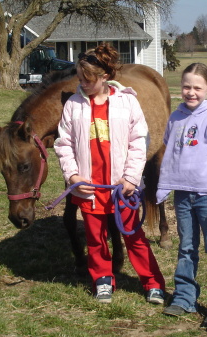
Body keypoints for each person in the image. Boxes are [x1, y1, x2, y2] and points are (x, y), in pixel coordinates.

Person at [54, 43, 165, 304]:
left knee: (133, 237)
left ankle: (152, 282)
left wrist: (130, 178)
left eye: (87, 80)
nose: (81, 84)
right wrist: (72, 177)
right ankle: (102, 279)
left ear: (104, 77)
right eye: (79, 78)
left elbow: (139, 141)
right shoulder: (73, 105)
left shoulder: (127, 102)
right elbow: (64, 143)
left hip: (120, 189)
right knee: (95, 239)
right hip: (90, 189)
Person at [156, 63, 207, 328]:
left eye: (197, 88)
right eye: (186, 87)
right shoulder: (175, 117)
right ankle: (184, 297)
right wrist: (165, 185)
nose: (191, 92)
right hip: (183, 195)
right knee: (186, 247)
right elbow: (170, 152)